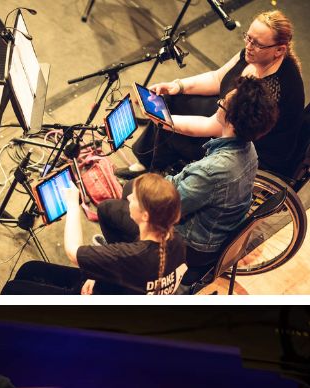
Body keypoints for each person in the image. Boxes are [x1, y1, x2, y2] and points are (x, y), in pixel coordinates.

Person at [99, 76, 279, 286]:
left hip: (194, 247)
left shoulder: (213, 170)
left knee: (108, 209)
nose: (218, 104)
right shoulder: (249, 150)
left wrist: (142, 197)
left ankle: (131, 265)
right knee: (132, 187)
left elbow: (167, 209)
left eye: (222, 103)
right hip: (217, 230)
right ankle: (134, 244)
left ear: (230, 119)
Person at [119, 10, 303, 178]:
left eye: (257, 43)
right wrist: (178, 86)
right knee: (171, 99)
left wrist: (164, 121)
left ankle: (157, 175)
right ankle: (146, 163)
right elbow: (217, 79)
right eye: (248, 38)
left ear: (279, 50)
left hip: (248, 147)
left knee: (172, 123)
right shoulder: (256, 53)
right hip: (226, 115)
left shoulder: (271, 90)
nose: (249, 46)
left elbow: (215, 126)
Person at [3, 174, 186, 294]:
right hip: (117, 288)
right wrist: (98, 273)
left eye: (135, 198)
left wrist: (72, 204)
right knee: (30, 269)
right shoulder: (175, 240)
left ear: (145, 215)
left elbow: (72, 251)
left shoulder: (129, 255)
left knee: (12, 289)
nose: (129, 198)